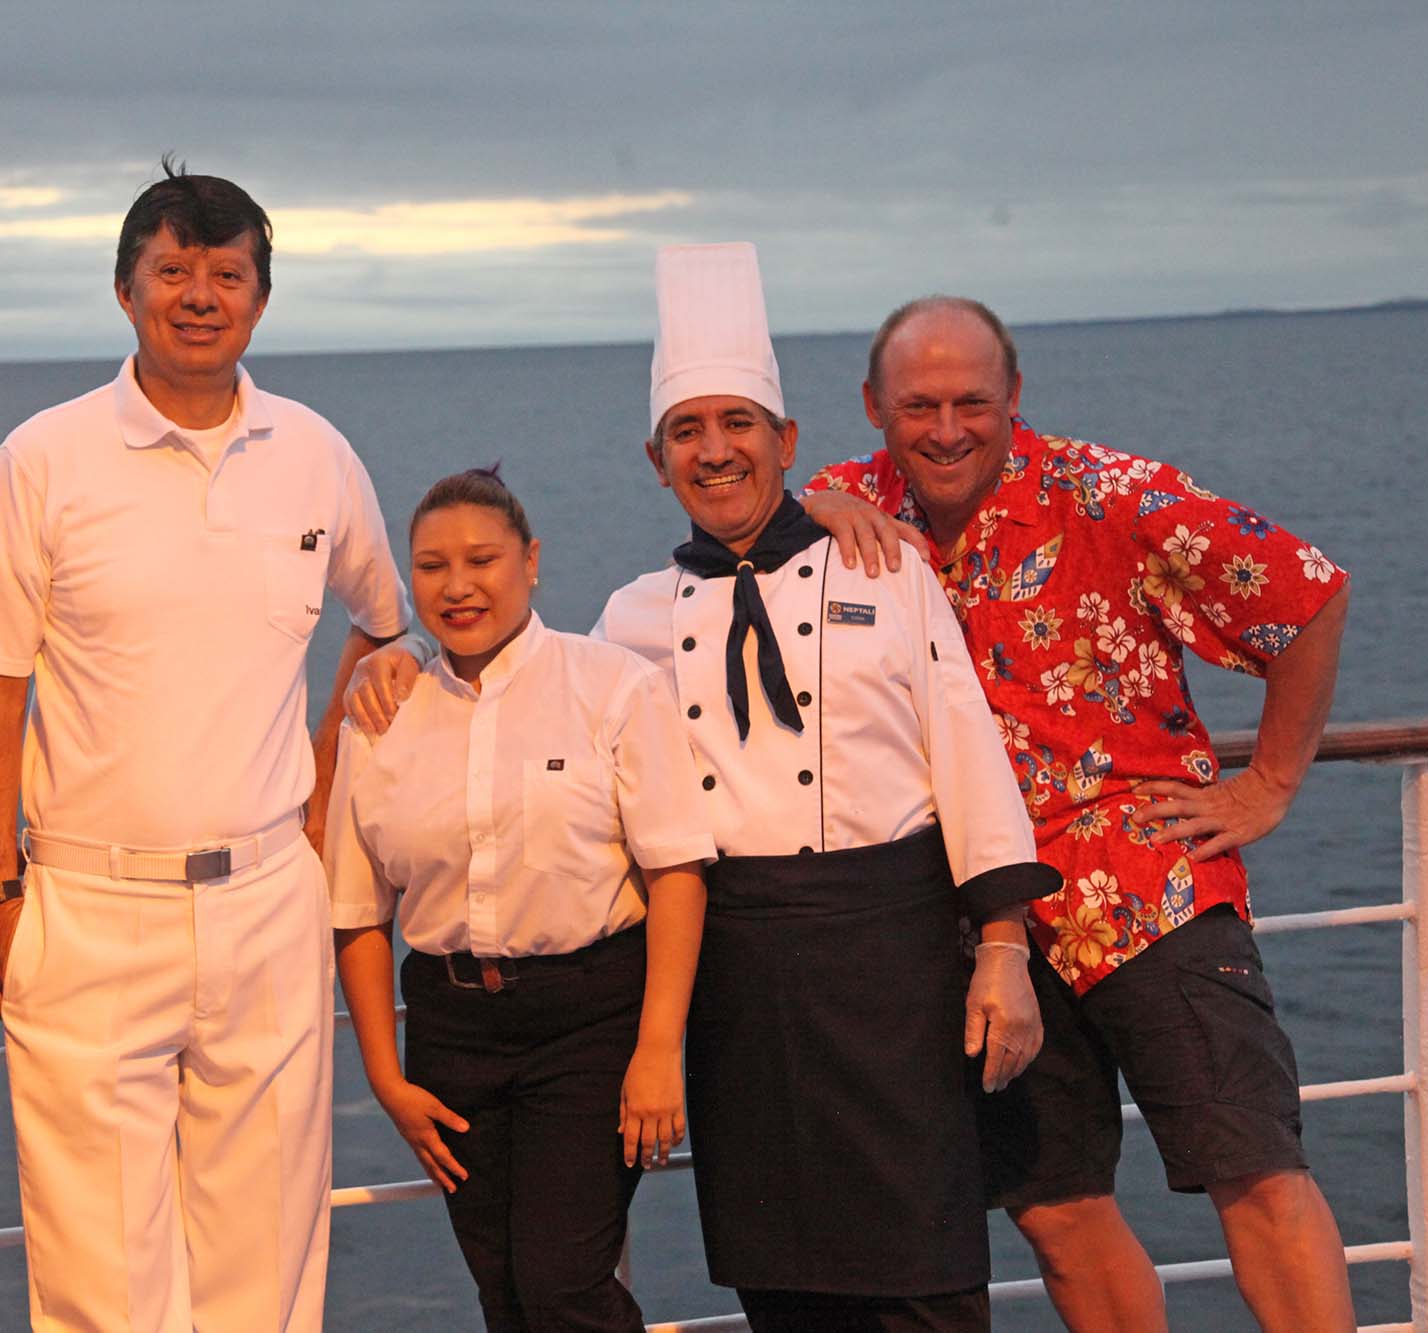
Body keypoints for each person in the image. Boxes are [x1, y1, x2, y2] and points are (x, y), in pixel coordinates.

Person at [348, 245, 1058, 1331]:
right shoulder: (631, 618)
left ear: (786, 442)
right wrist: (398, 658)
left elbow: (964, 751)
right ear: (655, 457)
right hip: (730, 969)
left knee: (924, 1278)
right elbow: (522, 693)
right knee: (779, 1279)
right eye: (688, 431)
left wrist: (1001, 946)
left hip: (890, 959)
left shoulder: (884, 567)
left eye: (738, 425)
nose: (714, 451)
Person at [802, 295, 1356, 1332]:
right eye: (917, 404)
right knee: (1054, 1208)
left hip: (1143, 886)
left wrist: (1269, 782)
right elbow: (752, 523)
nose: (946, 427)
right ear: (873, 406)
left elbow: (1304, 592)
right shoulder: (846, 504)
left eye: (972, 399)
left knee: (1255, 1178)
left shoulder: (1111, 493)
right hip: (983, 925)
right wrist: (813, 505)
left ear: (1013, 393)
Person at [0, 162, 411, 1332]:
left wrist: (317, 795)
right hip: (89, 904)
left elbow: (384, 624)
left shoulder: (313, 451)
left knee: (267, 1259)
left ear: (259, 300)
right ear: (125, 290)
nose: (199, 295)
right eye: (173, 271)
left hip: (265, 899)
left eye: (227, 274)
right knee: (102, 1277)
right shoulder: (43, 457)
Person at [326, 467, 713, 1331]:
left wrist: (659, 1049)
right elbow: (357, 913)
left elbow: (678, 872)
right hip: (450, 1032)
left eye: (482, 559)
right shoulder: (380, 715)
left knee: (561, 1283)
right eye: (431, 566)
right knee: (504, 1290)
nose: (458, 585)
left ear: (530, 561)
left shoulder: (613, 686)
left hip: (588, 1022)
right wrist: (386, 1078)